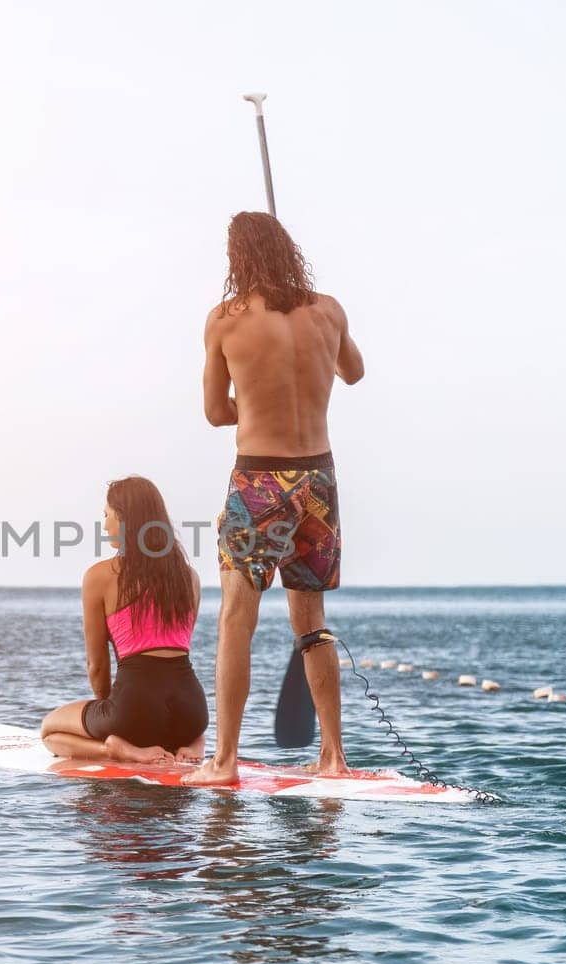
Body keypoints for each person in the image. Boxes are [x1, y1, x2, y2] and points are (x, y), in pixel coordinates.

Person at [183, 211, 366, 787]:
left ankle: (226, 761)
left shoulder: (224, 322)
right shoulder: (329, 310)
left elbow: (216, 412)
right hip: (318, 479)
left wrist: (256, 402)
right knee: (310, 623)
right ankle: (333, 757)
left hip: (259, 480)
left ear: (237, 259)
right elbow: (354, 373)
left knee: (238, 617)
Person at [41, 476, 208, 766]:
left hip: (134, 707)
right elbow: (176, 648)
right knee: (166, 718)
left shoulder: (100, 576)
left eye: (107, 515)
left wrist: (112, 713)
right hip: (192, 709)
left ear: (125, 518)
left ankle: (114, 750)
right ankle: (194, 743)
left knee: (50, 729)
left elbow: (97, 665)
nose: (104, 525)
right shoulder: (189, 577)